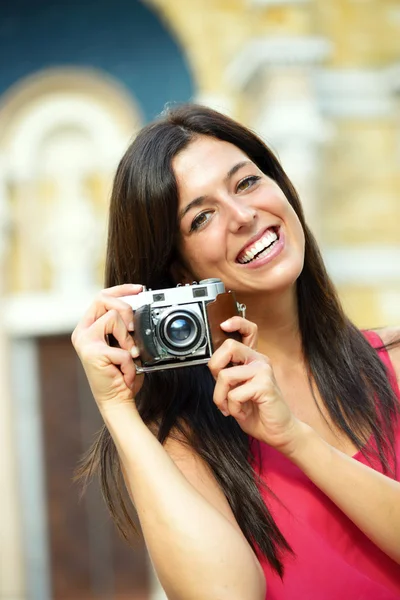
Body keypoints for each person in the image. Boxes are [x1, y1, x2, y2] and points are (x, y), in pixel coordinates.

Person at [72, 104, 400, 600]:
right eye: (202, 217)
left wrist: (294, 438)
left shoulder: (393, 360)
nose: (244, 216)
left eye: (246, 183)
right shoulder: (186, 441)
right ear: (179, 273)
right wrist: (117, 408)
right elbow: (225, 593)